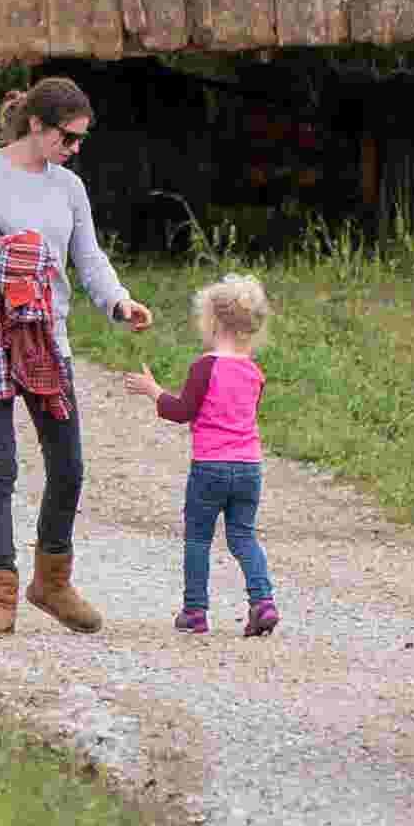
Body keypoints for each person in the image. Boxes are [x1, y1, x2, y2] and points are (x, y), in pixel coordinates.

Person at [0, 76, 151, 638]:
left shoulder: (69, 188)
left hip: (48, 340)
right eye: (68, 138)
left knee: (69, 467)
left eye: (80, 141)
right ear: (36, 125)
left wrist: (118, 302)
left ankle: (52, 582)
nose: (74, 150)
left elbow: (88, 257)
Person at [124, 273, 278, 637]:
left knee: (198, 538)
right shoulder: (255, 373)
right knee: (243, 536)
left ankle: (195, 611)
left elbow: (181, 411)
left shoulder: (204, 367)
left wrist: (152, 390)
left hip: (210, 467)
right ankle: (264, 601)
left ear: (212, 321)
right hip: (249, 468)